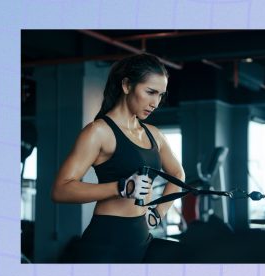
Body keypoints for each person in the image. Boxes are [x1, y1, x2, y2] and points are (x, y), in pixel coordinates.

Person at [52, 53, 186, 263]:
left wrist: (158, 213)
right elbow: (61, 189)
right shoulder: (98, 132)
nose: (155, 103)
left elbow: (178, 175)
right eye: (150, 92)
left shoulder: (154, 134)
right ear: (126, 85)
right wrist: (121, 187)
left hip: (142, 237)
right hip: (107, 239)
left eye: (160, 95)